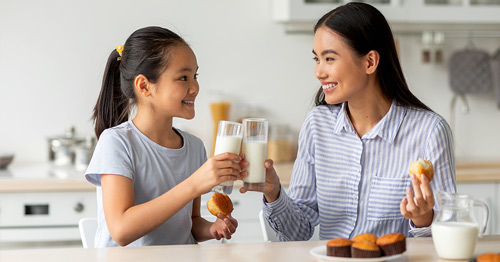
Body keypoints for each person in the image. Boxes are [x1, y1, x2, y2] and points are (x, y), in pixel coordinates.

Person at [242, 2, 456, 241]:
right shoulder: (317, 125)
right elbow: (297, 233)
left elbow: (448, 237)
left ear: (370, 62)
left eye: (329, 59)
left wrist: (423, 219)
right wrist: (274, 192)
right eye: (317, 59)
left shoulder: (430, 131)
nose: (319, 72)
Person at [85, 26, 246, 247]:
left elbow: (190, 222)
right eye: (183, 77)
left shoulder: (194, 146)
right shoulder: (117, 143)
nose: (195, 87)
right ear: (144, 86)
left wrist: (211, 228)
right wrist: (194, 184)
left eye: (195, 76)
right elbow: (121, 230)